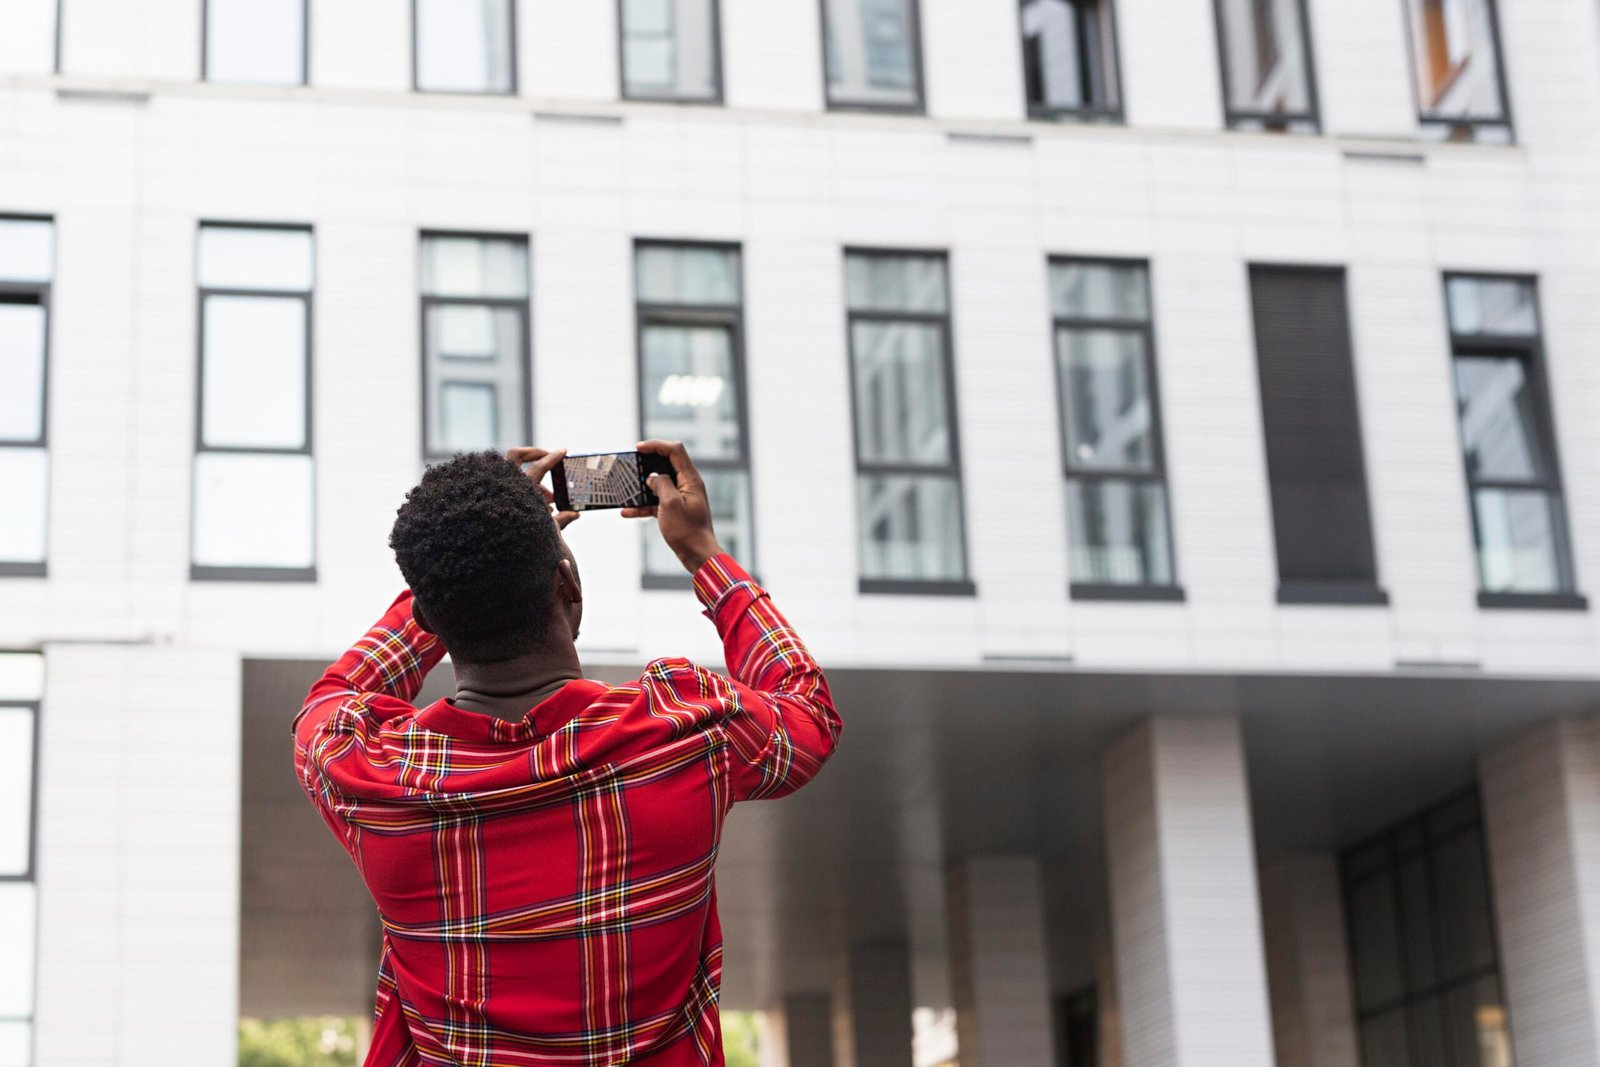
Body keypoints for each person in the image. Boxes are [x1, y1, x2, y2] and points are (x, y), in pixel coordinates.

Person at [293, 440, 841, 1065]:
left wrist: (450, 577)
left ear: (430, 618)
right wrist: (704, 553)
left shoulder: (366, 776)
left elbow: (336, 694)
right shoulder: (685, 733)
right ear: (569, 590)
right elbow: (808, 714)